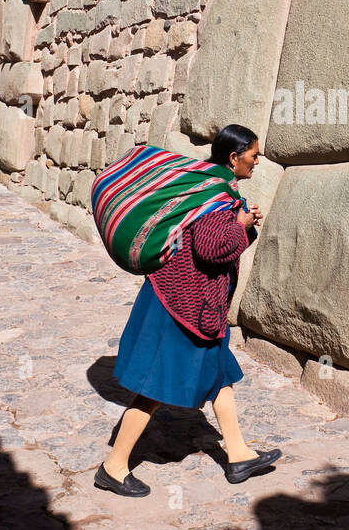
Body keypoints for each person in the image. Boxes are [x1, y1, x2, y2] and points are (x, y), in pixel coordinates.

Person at [95, 124, 281, 497]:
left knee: (218, 374)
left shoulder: (207, 184)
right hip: (182, 306)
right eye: (253, 155)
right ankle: (113, 468)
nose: (256, 162)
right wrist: (243, 226)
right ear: (234, 157)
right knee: (153, 386)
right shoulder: (217, 194)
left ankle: (239, 453)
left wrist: (241, 220)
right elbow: (211, 250)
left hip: (193, 303)